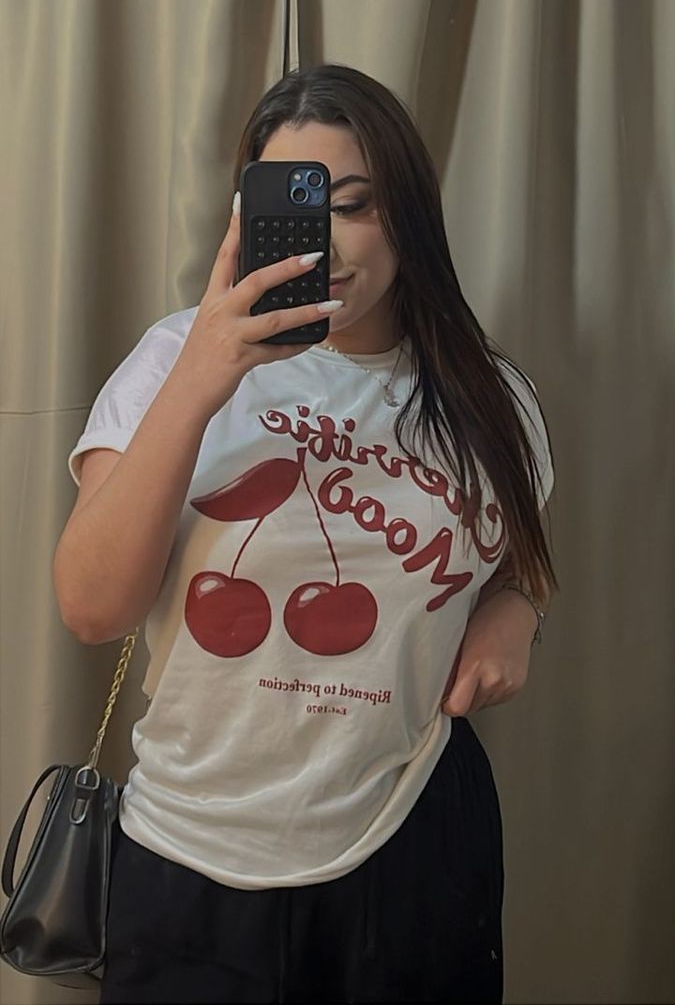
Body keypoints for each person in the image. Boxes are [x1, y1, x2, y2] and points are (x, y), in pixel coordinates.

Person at [53, 63, 557, 1004]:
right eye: (295, 207)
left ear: (407, 214)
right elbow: (91, 607)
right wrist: (204, 377)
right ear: (246, 217)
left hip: (411, 842)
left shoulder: (494, 399)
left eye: (354, 205)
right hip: (193, 850)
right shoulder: (171, 358)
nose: (323, 240)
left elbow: (515, 557)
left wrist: (519, 611)